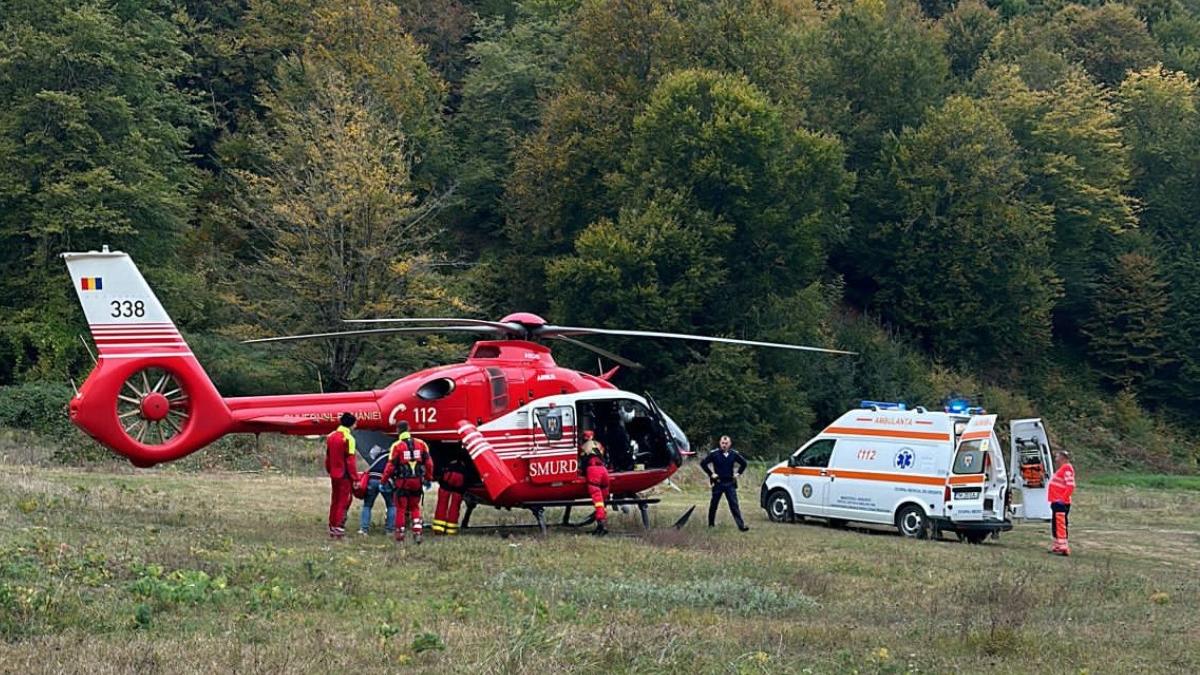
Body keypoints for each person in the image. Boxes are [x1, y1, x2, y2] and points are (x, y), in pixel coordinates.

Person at [381, 421, 434, 544]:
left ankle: (400, 535)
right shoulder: (421, 444)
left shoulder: (396, 446)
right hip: (417, 481)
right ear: (409, 429)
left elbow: (390, 466)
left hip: (402, 482)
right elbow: (429, 463)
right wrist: (428, 478)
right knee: (415, 507)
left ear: (398, 430)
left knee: (400, 508)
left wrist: (383, 481)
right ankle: (417, 531)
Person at [700, 435, 749, 531]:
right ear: (720, 443)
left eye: (726, 443)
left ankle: (741, 526)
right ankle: (711, 524)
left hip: (730, 483)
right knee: (714, 504)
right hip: (718, 482)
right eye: (722, 443)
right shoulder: (714, 454)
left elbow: (744, 463)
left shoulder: (734, 454)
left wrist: (738, 474)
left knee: (734, 505)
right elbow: (703, 463)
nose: (724, 445)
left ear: (730, 444)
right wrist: (711, 474)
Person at [325, 412, 361, 539]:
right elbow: (350, 461)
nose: (356, 426)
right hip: (344, 475)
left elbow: (328, 457)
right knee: (344, 501)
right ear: (351, 424)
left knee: (335, 500)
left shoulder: (331, 436)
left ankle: (332, 525)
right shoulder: (349, 439)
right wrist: (355, 478)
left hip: (334, 474)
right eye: (355, 423)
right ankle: (338, 529)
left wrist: (330, 470)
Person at [358, 443, 396, 536]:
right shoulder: (393, 456)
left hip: (372, 479)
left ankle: (364, 529)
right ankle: (390, 530)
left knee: (367, 505)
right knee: (391, 505)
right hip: (385, 481)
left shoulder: (379, 455)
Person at [578, 429, 610, 536]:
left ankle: (601, 524)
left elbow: (583, 462)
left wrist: (582, 472)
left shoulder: (584, 447)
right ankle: (602, 522)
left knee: (598, 500)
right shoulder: (598, 444)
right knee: (603, 500)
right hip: (604, 471)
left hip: (594, 471)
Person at [1048, 449, 1076, 556]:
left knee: (1060, 524)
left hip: (1061, 502)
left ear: (1063, 458)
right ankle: (1057, 546)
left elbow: (1071, 485)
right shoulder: (1062, 469)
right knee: (1055, 524)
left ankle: (1063, 547)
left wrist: (1062, 498)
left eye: (1057, 456)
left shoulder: (1067, 469)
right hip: (1056, 501)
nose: (1055, 458)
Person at [432, 457, 468, 535]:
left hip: (449, 473)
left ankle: (438, 529)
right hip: (461, 475)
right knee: (455, 505)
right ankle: (451, 530)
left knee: (442, 502)